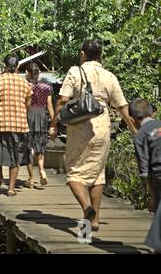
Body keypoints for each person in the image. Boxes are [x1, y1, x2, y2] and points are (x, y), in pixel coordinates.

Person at [49, 39, 136, 231]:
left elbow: (62, 101)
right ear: (101, 55)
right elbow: (122, 106)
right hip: (103, 126)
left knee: (74, 173)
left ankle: (87, 208)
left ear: (82, 54)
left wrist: (54, 124)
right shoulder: (109, 76)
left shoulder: (75, 71)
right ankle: (92, 222)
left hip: (80, 127)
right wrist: (133, 130)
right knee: (97, 175)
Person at [0, 55, 32, 196]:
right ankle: (11, 188)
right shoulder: (25, 83)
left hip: (0, 123)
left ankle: (0, 177)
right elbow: (28, 105)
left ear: (4, 66)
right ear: (18, 66)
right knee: (15, 155)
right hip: (19, 124)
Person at [129, 98, 161, 253]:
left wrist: (151, 195)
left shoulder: (140, 135)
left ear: (132, 120)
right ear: (153, 113)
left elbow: (144, 167)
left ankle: (157, 243)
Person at [25, 62, 54, 188]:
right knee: (40, 145)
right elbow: (50, 106)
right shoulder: (46, 87)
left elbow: (27, 103)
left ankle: (31, 178)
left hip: (30, 114)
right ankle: (42, 171)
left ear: (28, 73)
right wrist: (54, 122)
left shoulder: (28, 86)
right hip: (42, 115)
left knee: (28, 147)